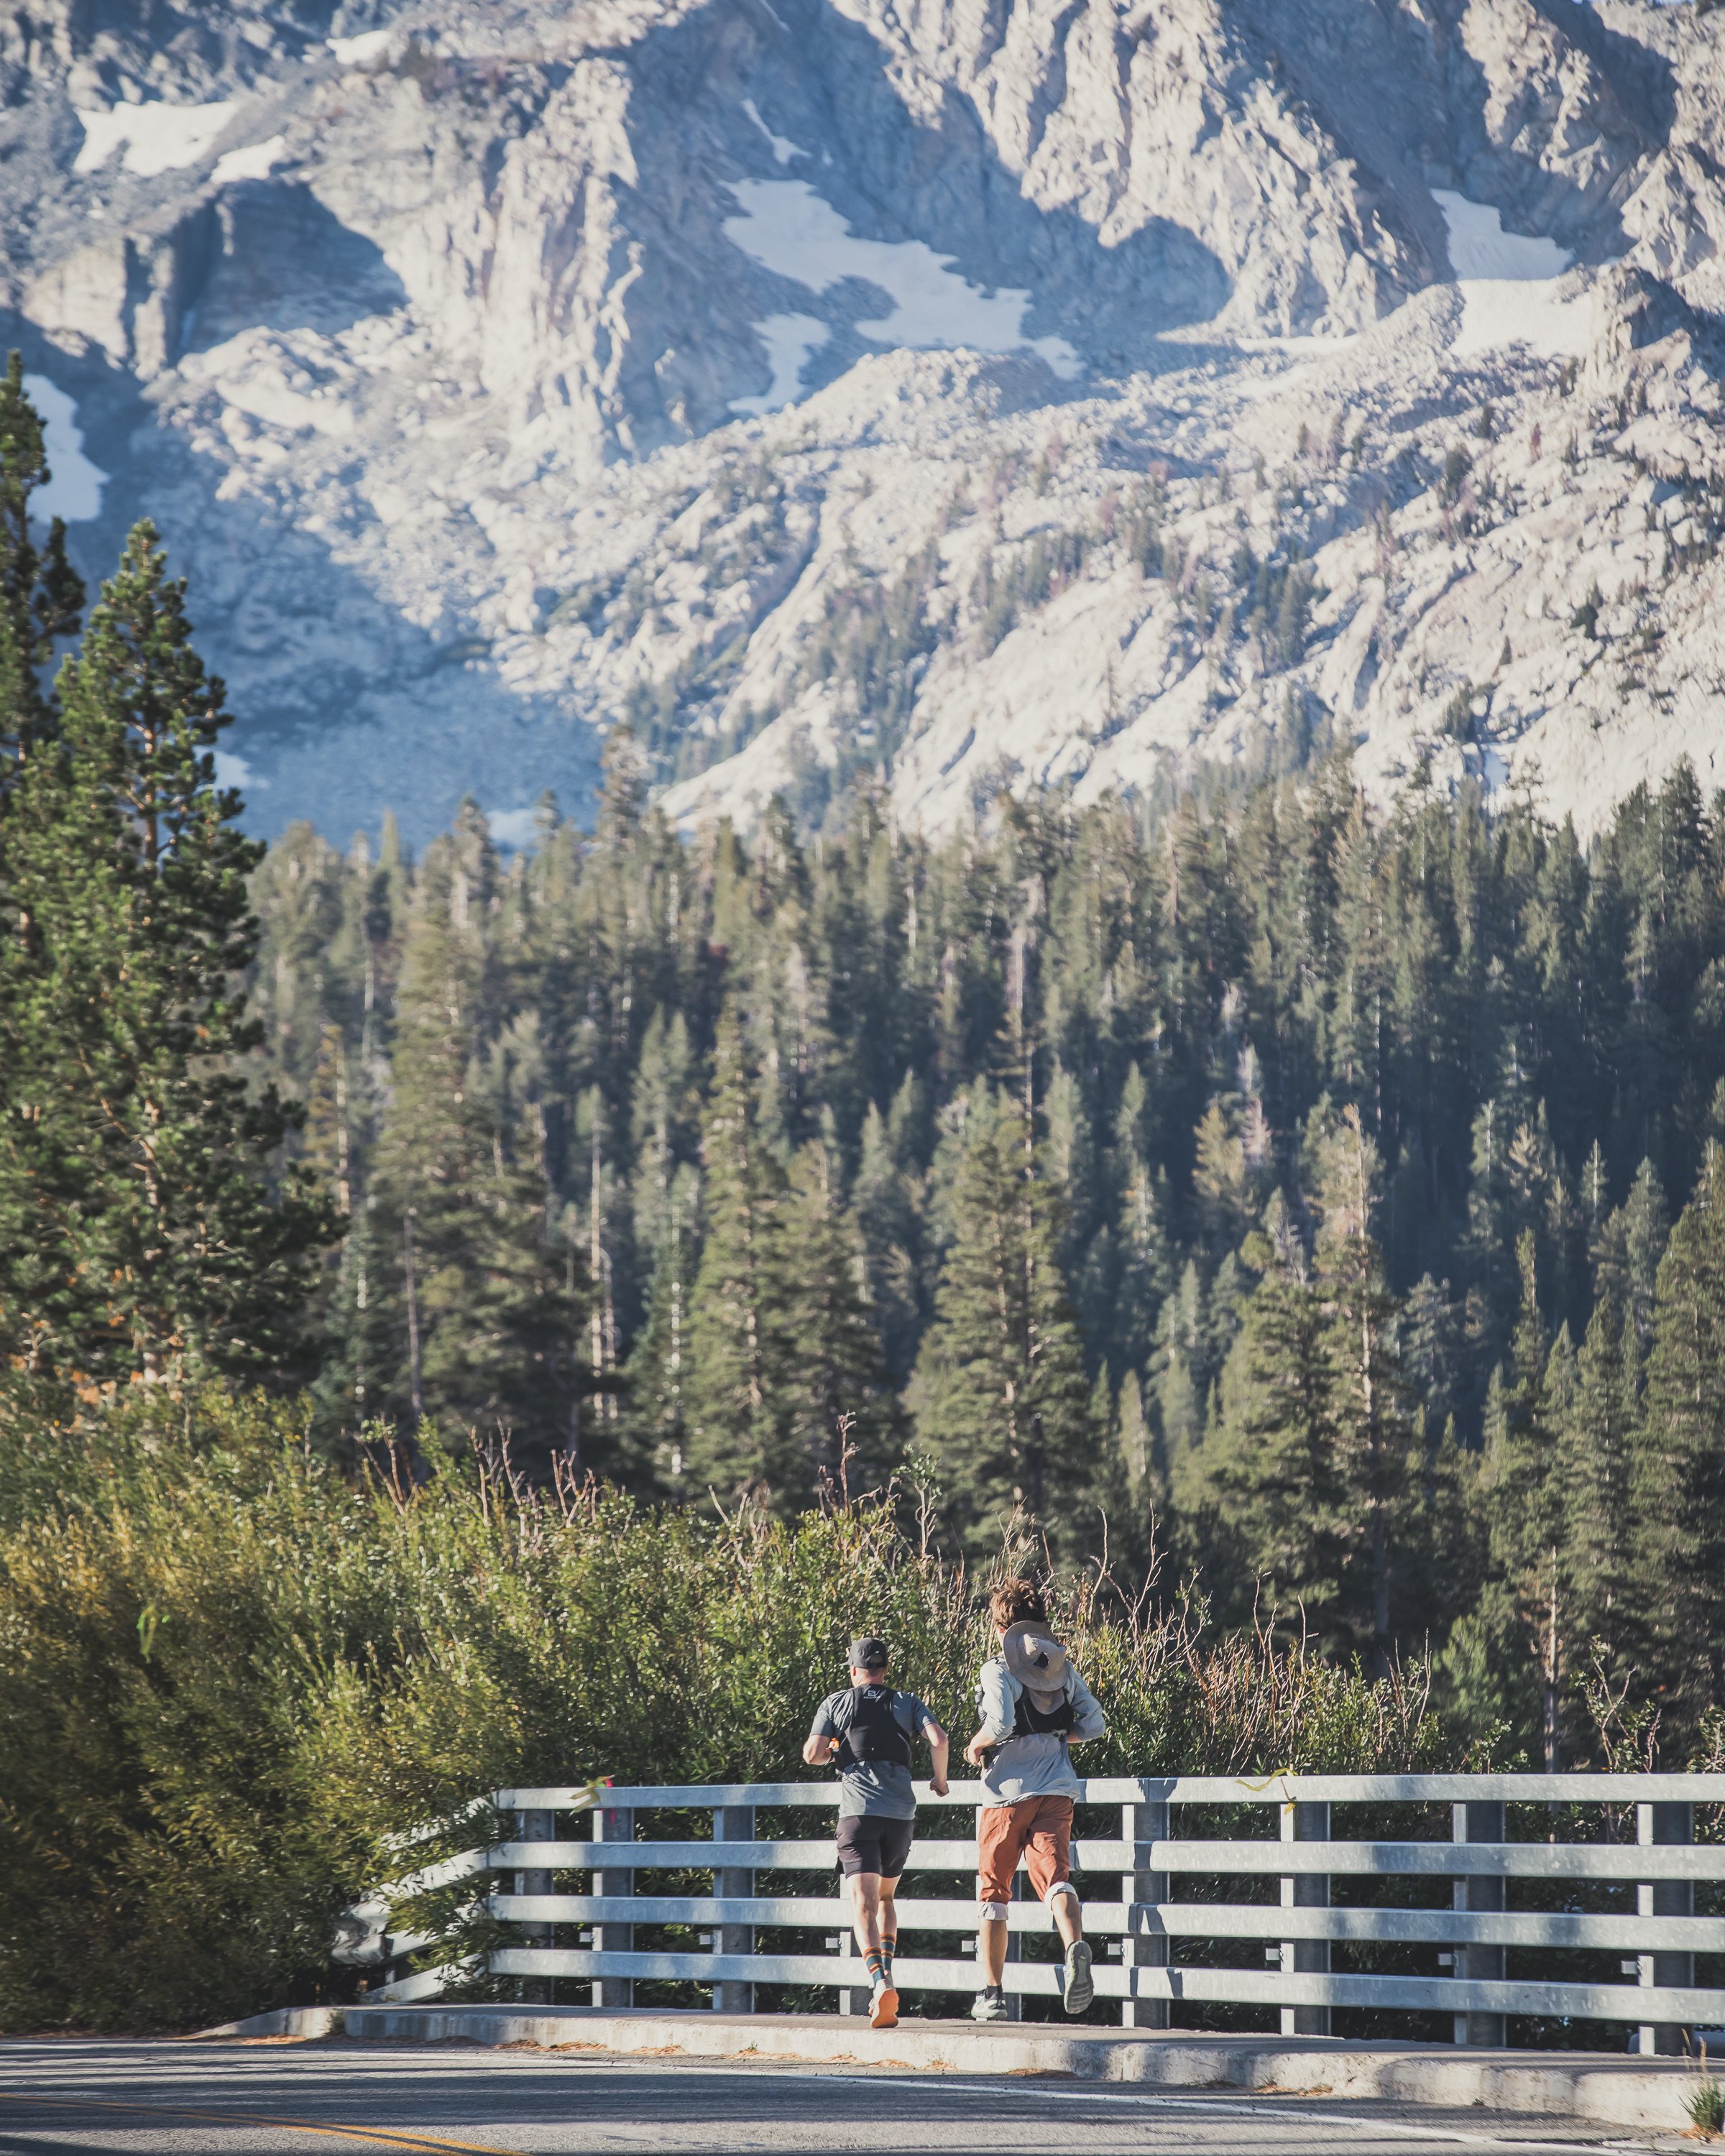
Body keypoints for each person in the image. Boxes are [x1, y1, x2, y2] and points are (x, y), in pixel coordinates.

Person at [962, 1579, 1105, 2022]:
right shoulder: (1060, 1667)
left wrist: (975, 1743)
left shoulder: (997, 1668)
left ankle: (992, 1995)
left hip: (1006, 1794)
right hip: (1058, 1789)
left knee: (994, 1895)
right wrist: (1061, 1736)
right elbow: (1095, 1723)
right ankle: (1073, 1945)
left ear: (1000, 1626)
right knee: (1056, 1880)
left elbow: (1002, 1723)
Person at [804, 1635, 949, 2029]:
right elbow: (939, 1738)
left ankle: (879, 1980)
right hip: (900, 1814)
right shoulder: (906, 1702)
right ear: (884, 1670)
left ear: (853, 1671)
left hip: (857, 1815)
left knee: (862, 1903)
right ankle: (887, 1978)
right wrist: (940, 1781)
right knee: (886, 1897)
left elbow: (812, 1755)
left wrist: (837, 1750)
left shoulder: (836, 1703)